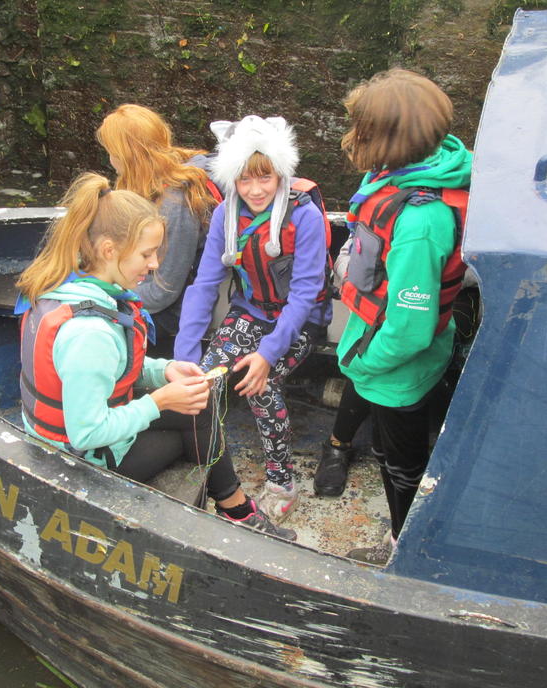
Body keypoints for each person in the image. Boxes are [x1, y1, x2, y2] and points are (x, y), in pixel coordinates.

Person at [16, 171, 295, 540]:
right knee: (196, 430)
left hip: (75, 437)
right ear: (109, 250)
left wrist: (164, 371)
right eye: (146, 254)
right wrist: (160, 402)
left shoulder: (71, 285)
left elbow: (113, 368)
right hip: (79, 459)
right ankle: (236, 511)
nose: (154, 265)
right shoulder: (90, 334)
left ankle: (235, 508)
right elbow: (87, 433)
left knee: (199, 404)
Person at [331, 68, 472, 563]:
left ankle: (404, 552)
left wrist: (364, 365)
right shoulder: (407, 174)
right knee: (391, 450)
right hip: (390, 351)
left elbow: (410, 330)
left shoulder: (419, 222)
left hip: (397, 369)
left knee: (401, 465)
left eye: (360, 129)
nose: (351, 137)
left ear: (384, 139)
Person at [175, 116, 332, 520]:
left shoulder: (304, 216)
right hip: (252, 311)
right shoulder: (225, 216)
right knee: (200, 383)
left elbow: (304, 295)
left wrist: (267, 354)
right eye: (244, 180)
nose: (256, 189)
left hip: (300, 320)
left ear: (280, 173)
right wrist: (184, 358)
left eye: (265, 177)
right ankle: (205, 467)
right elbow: (204, 285)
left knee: (260, 384)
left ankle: (282, 481)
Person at [95, 104, 218, 356]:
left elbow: (163, 293)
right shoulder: (153, 178)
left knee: (90, 326)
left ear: (128, 156)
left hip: (177, 309)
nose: (110, 160)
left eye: (111, 152)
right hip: (147, 287)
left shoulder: (175, 204)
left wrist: (102, 295)